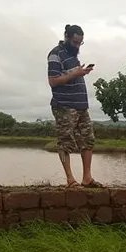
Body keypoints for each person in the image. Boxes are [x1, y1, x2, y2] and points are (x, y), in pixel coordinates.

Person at [47, 24, 102, 188]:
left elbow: (70, 76)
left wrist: (80, 72)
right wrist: (75, 74)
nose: (77, 46)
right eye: (75, 42)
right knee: (65, 142)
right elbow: (53, 81)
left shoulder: (72, 55)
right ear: (67, 37)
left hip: (80, 105)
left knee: (88, 140)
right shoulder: (55, 54)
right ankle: (70, 180)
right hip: (64, 106)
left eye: (80, 43)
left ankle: (87, 178)